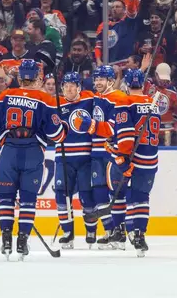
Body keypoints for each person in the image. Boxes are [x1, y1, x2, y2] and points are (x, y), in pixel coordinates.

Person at [0, 59, 67, 260]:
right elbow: (57, 135)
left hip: (9, 152)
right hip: (33, 152)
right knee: (28, 201)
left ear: (20, 76)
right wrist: (64, 126)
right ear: (38, 77)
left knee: (5, 198)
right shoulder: (45, 99)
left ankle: (6, 240)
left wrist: (3, 142)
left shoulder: (5, 95)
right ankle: (22, 242)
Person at [75, 65, 135, 249]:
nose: (98, 82)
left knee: (116, 193)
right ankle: (112, 231)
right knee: (101, 192)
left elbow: (112, 129)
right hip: (97, 151)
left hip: (113, 152)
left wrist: (89, 125)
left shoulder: (118, 99)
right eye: (96, 79)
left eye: (102, 79)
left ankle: (121, 233)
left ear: (111, 81)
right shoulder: (99, 97)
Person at [115, 68, 161, 257]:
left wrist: (123, 159)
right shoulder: (153, 104)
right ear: (143, 84)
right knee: (141, 197)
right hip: (150, 158)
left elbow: (125, 134)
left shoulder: (124, 102)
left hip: (133, 158)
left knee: (123, 195)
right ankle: (139, 234)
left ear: (126, 84)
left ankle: (121, 230)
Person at [55, 72, 98, 249]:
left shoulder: (89, 100)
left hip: (85, 157)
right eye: (65, 85)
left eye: (72, 85)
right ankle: (68, 233)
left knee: (87, 196)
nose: (69, 88)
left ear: (79, 87)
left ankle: (91, 230)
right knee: (61, 196)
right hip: (63, 158)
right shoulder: (55, 103)